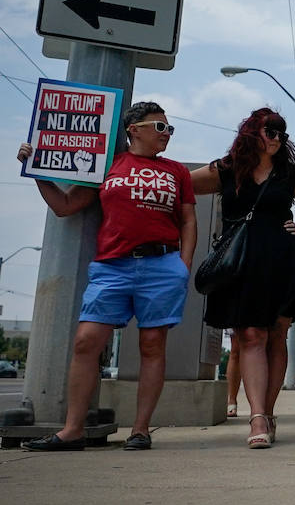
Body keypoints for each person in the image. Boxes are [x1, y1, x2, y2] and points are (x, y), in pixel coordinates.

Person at [18, 101, 196, 452]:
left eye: (170, 129)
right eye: (161, 127)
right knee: (86, 340)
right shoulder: (107, 166)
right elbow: (65, 206)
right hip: (112, 266)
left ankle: (140, 430)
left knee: (151, 345)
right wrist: (36, 169)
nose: (167, 135)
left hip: (162, 266)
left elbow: (189, 220)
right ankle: (72, 430)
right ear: (135, 129)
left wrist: (183, 266)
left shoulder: (177, 172)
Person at [190, 108, 295, 450]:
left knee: (276, 336)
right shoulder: (229, 168)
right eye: (270, 130)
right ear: (252, 132)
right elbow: (183, 184)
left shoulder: (291, 175)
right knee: (250, 334)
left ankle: (268, 411)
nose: (276, 137)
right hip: (241, 263)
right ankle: (258, 417)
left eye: (281, 132)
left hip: (282, 260)